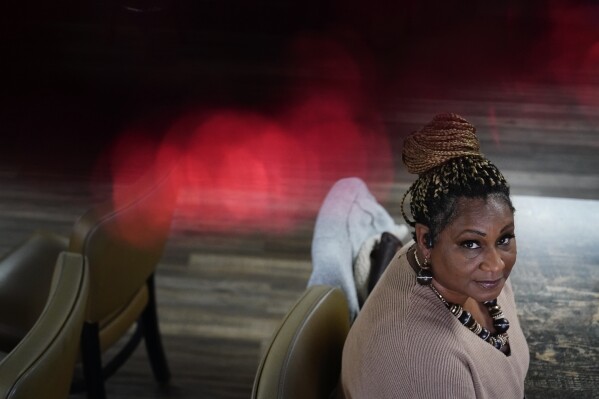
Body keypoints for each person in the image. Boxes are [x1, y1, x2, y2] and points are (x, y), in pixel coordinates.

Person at [339, 113, 529, 398]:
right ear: (426, 240)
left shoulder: (439, 266)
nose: (496, 264)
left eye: (503, 239)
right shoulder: (429, 367)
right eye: (471, 244)